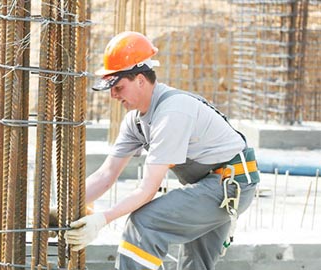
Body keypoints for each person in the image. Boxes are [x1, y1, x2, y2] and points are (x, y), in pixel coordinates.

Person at [64, 31, 260, 270]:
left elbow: (147, 190)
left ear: (140, 79)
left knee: (145, 223)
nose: (113, 95)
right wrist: (69, 206)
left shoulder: (172, 113)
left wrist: (102, 219)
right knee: (196, 263)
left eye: (118, 87)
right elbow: (106, 175)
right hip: (210, 185)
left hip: (231, 185)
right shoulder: (135, 121)